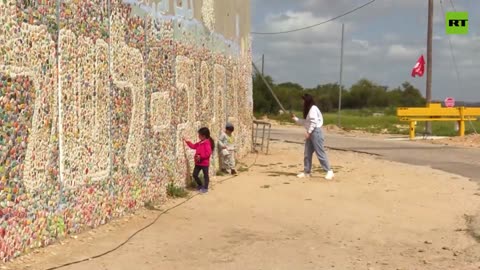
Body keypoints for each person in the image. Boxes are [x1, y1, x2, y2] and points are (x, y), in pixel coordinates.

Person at [292, 94, 334, 180]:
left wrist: (309, 132)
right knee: (307, 153)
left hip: (316, 133)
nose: (302, 102)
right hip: (311, 133)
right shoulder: (309, 110)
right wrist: (295, 118)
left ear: (307, 101)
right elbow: (306, 122)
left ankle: (329, 171)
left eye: (303, 100)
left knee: (320, 152)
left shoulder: (313, 109)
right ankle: (307, 172)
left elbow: (313, 122)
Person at [183, 127, 215, 193]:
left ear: (204, 136)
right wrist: (187, 142)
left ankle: (205, 188)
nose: (198, 136)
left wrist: (201, 157)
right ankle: (200, 185)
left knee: (206, 176)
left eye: (199, 135)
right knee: (195, 174)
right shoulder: (200, 143)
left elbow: (208, 153)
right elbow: (193, 146)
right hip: (198, 163)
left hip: (204, 163)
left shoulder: (207, 143)